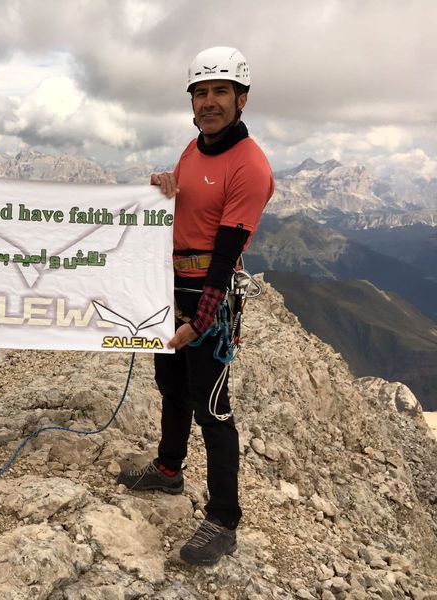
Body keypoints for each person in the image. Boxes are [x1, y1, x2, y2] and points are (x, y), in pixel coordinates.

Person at [117, 46, 274, 565]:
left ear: (242, 99)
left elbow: (226, 254)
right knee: (171, 388)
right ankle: (168, 469)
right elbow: (187, 207)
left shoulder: (250, 166)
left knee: (212, 407)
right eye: (201, 92)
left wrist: (199, 321)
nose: (209, 101)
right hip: (169, 288)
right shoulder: (194, 148)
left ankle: (224, 519)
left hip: (207, 295)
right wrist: (167, 187)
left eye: (220, 92)